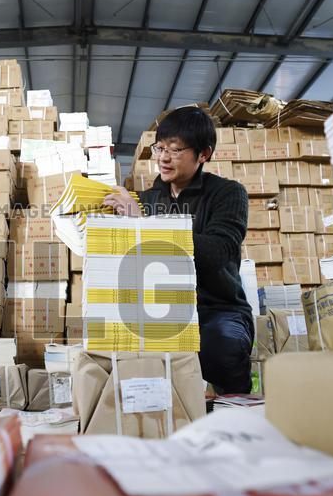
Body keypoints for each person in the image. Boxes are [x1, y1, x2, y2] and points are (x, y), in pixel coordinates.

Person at [102, 106, 253, 394]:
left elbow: (219, 251)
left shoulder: (228, 193)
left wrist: (145, 224)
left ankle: (237, 417)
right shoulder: (146, 199)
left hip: (217, 309)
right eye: (159, 148)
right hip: (156, 310)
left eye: (175, 149)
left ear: (203, 154)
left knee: (221, 347)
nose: (163, 158)